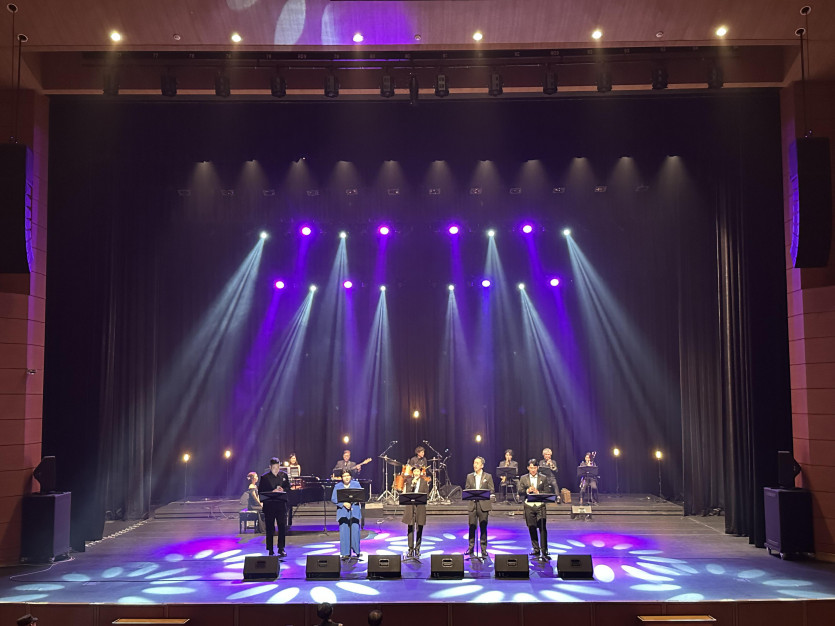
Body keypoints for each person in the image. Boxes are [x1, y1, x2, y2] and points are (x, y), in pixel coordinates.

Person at [518, 459, 553, 559]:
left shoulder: (543, 478)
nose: (533, 470)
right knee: (531, 527)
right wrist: (527, 490)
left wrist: (538, 492)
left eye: (534, 468)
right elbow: (520, 491)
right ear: (528, 468)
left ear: (537, 468)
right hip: (529, 505)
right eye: (531, 468)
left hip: (540, 506)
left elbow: (548, 491)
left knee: (542, 527)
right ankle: (536, 549)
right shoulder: (523, 478)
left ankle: (544, 550)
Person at [258, 457, 291, 557]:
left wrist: (282, 489)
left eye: (278, 467)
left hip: (281, 505)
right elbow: (261, 492)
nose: (276, 470)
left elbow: (288, 487)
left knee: (282, 527)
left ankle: (281, 548)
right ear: (270, 467)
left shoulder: (283, 475)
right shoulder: (265, 477)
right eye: (274, 468)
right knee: (270, 528)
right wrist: (272, 492)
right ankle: (270, 550)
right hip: (269, 506)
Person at [463, 456, 494, 556]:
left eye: (477, 463)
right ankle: (471, 547)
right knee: (472, 526)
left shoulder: (488, 476)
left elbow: (492, 489)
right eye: (474, 463)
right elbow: (467, 489)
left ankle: (483, 549)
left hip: (483, 505)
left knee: (483, 526)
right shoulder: (469, 476)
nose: (475, 465)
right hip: (472, 505)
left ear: (482, 465)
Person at [331, 470, 362, 559]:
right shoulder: (338, 486)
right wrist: (343, 504)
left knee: (355, 531)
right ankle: (345, 553)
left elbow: (361, 495)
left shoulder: (356, 484)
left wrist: (352, 502)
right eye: (344, 476)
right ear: (341, 477)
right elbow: (333, 498)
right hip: (343, 512)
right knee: (344, 532)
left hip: (354, 511)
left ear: (351, 476)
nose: (346, 477)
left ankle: (356, 551)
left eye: (348, 475)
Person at [401, 465, 429, 558]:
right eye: (415, 471)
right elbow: (407, 494)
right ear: (412, 473)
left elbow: (427, 495)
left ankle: (417, 549)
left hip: (420, 507)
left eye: (418, 471)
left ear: (420, 473)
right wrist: (412, 484)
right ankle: (410, 549)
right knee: (410, 528)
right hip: (410, 507)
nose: (416, 473)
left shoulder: (424, 482)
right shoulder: (409, 481)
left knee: (419, 528)